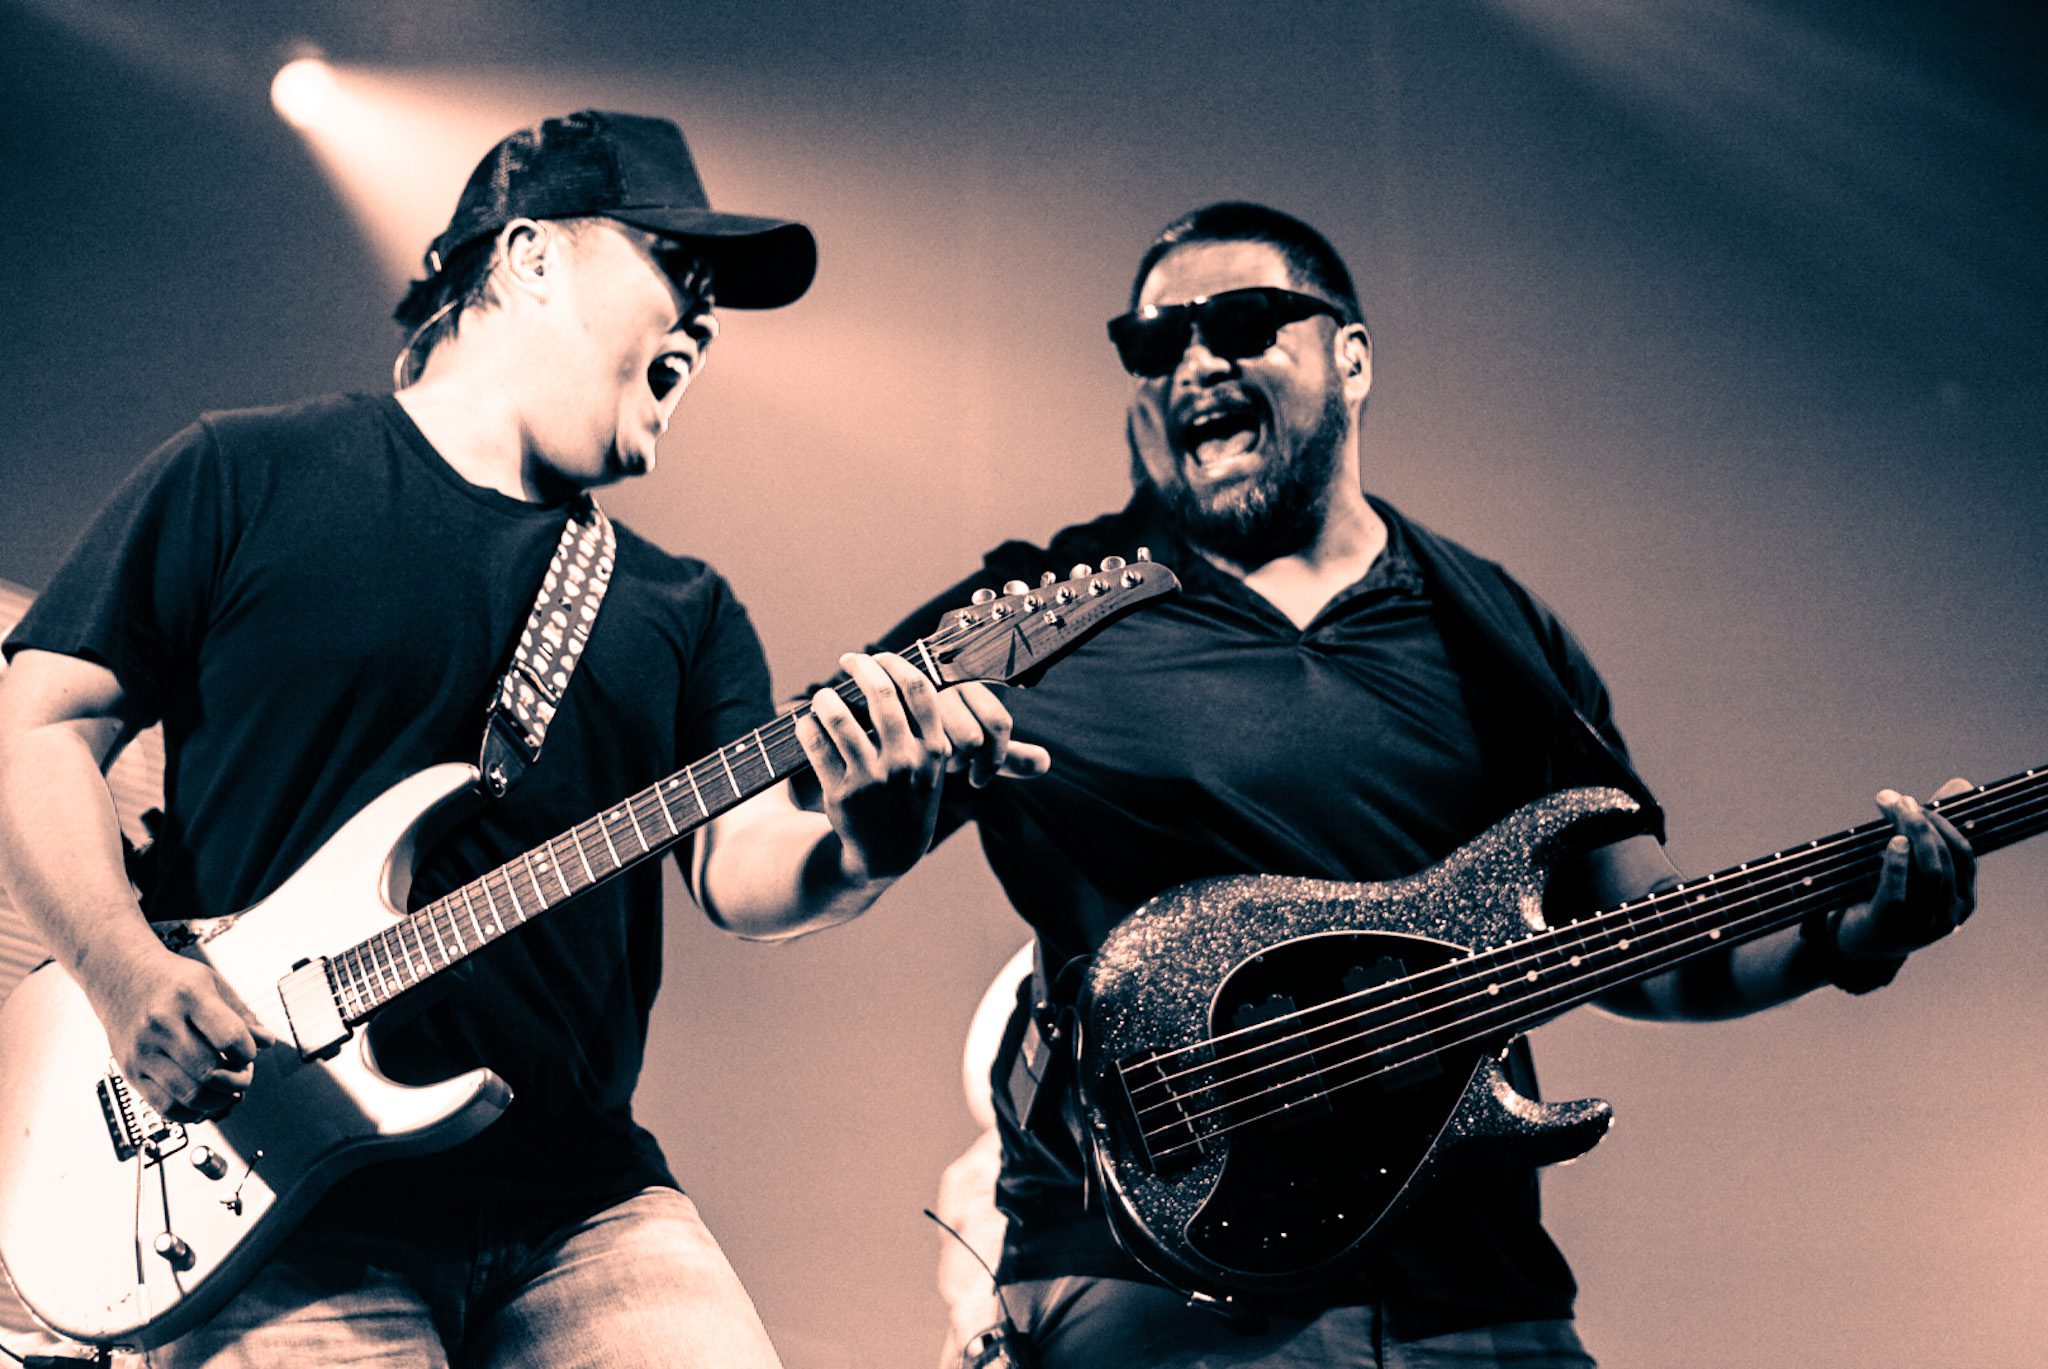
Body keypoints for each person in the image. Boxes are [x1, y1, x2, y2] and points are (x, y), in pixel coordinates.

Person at [706, 201, 1978, 1368]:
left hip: (1475, 1302)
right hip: (1160, 1302)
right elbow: (747, 845)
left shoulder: (1492, 629)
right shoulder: (1039, 619)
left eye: (1240, 323)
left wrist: (1849, 939)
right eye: (1152, 343)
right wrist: (861, 849)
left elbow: (1641, 945)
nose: (1191, 363)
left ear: (1351, 360)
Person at [0, 109, 1034, 1367]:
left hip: (581, 1201)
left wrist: (866, 845)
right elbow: (40, 719)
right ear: (531, 256)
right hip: (269, 1195)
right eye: (677, 267)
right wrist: (120, 972)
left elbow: (744, 870)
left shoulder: (682, 606)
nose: (705, 321)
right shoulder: (243, 472)